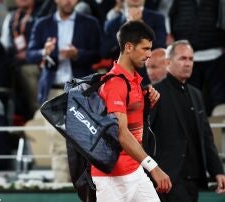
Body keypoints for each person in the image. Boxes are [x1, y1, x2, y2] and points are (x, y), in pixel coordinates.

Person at [91, 20, 172, 201]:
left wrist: (148, 102)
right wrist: (154, 167)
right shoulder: (115, 83)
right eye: (145, 49)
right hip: (111, 178)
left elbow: (134, 121)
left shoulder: (134, 79)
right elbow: (121, 133)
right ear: (128, 47)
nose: (149, 54)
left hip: (135, 170)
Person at [26, 0, 102, 182]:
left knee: (86, 141)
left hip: (82, 91)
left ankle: (88, 189)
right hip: (54, 92)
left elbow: (99, 53)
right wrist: (44, 52)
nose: (68, 1)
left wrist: (78, 54)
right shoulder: (42, 23)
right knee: (58, 145)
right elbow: (31, 54)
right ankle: (61, 188)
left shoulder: (90, 23)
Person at [144, 40, 225, 201]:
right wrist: (151, 172)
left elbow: (206, 137)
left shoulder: (196, 94)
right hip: (165, 180)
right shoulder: (153, 93)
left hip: (192, 180)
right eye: (182, 59)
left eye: (190, 59)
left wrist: (217, 170)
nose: (187, 63)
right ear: (168, 62)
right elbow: (143, 137)